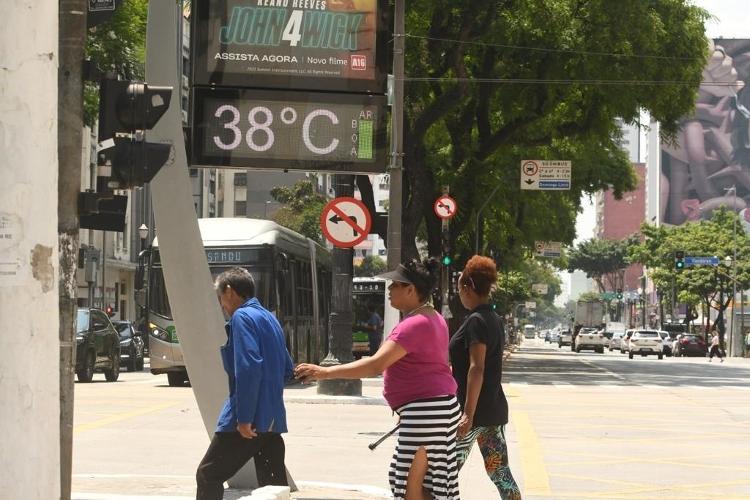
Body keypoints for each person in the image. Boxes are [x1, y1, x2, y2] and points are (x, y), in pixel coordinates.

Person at [295, 258, 460, 500]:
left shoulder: (413, 325)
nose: (389, 290)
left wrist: (325, 372)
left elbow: (376, 364)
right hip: (439, 408)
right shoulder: (434, 318)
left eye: (394, 285)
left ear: (411, 290)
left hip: (426, 410)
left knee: (407, 480)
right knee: (428, 480)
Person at [196, 267, 294, 500]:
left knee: (208, 475)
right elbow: (288, 368)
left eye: (220, 298)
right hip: (272, 420)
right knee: (273, 486)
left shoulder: (242, 317)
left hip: (249, 421)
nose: (222, 306)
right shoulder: (269, 317)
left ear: (229, 291)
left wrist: (245, 417)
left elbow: (248, 368)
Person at [450, 256, 521, 500]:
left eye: (459, 286)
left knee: (444, 474)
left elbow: (476, 368)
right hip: (492, 410)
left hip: (473, 414)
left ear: (468, 286)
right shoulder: (493, 319)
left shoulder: (476, 321)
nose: (459, 293)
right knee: (501, 474)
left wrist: (468, 413)